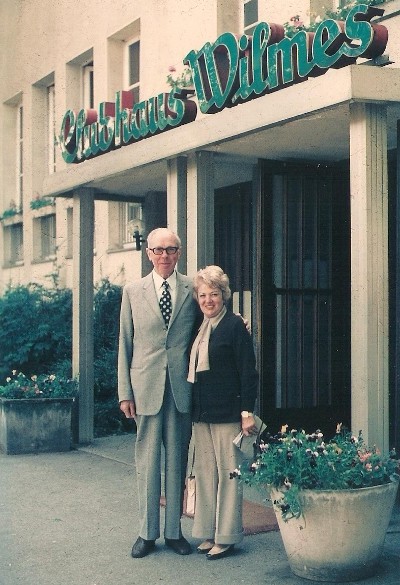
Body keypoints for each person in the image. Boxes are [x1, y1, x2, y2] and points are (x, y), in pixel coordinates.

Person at [118, 227, 200, 558]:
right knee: (148, 462)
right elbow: (124, 342)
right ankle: (147, 533)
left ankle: (174, 531)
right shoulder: (132, 291)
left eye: (171, 249)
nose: (164, 255)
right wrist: (125, 392)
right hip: (145, 388)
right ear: (148, 254)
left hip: (181, 387)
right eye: (158, 250)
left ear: (179, 253)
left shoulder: (192, 288)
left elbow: (208, 321)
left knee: (177, 461)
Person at [187, 265, 258, 560]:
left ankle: (226, 537)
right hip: (202, 414)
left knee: (229, 477)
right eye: (203, 295)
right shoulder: (199, 327)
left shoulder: (233, 327)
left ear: (223, 295)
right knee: (205, 475)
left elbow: (248, 372)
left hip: (228, 413)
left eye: (213, 294)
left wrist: (247, 412)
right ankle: (207, 531)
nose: (208, 300)